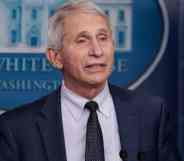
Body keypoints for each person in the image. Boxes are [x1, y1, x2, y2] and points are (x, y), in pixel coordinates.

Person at [0, 1, 179, 161]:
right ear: (55, 57)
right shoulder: (16, 129)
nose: (97, 51)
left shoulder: (152, 114)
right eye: (82, 40)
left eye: (103, 38)